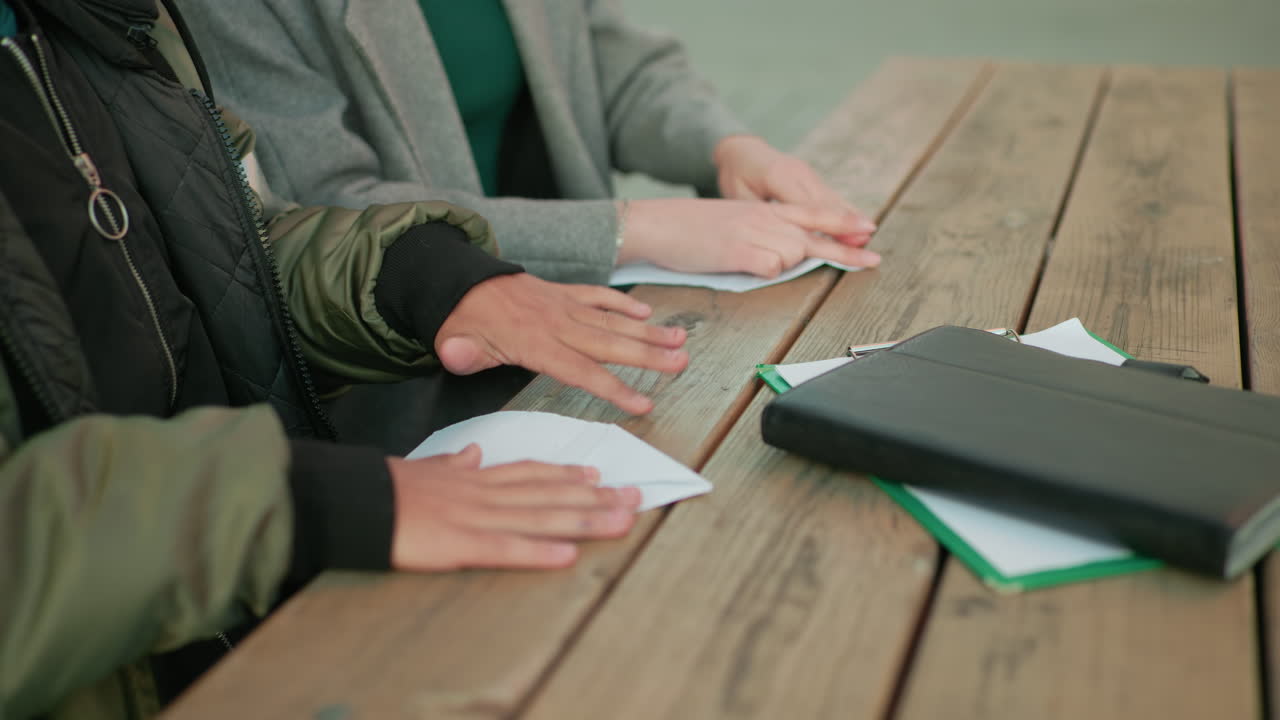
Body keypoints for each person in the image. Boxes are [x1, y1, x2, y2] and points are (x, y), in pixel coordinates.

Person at [0, 0, 688, 716]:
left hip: (270, 610)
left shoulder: (77, 22)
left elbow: (216, 254)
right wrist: (295, 504)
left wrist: (423, 277)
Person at [176, 0, 882, 286]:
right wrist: (627, 229)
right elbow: (326, 206)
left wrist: (726, 147)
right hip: (419, 374)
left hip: (585, 310)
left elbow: (610, 64)